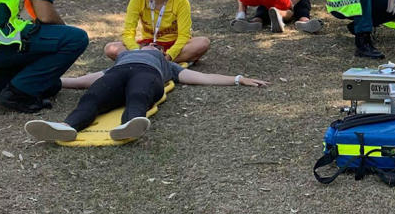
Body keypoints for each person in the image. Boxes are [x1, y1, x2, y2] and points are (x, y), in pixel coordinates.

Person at [23, 46, 268, 143]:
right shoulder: (119, 60)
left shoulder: (167, 65)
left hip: (147, 74)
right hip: (116, 75)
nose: (151, 46)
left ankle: (130, 124)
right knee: (92, 98)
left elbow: (203, 78)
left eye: (156, 47)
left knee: (138, 95)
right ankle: (67, 126)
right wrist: (43, 82)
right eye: (147, 44)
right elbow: (80, 82)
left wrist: (238, 79)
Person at [103, 0, 210, 64]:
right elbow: (128, 33)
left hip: (172, 44)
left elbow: (184, 36)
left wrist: (169, 55)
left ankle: (150, 62)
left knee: (203, 43)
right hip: (147, 46)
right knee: (110, 48)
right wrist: (137, 51)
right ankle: (153, 61)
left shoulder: (180, 1)